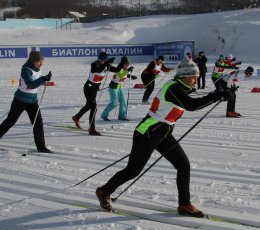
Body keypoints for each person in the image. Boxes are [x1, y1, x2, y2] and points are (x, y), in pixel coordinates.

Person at [96, 58, 233, 218]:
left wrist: (217, 94)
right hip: (148, 132)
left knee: (183, 165)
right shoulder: (173, 88)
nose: (196, 80)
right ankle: (104, 191)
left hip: (163, 133)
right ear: (184, 76)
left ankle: (184, 204)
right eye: (194, 77)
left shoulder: (180, 86)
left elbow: (191, 98)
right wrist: (216, 96)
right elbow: (191, 105)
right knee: (133, 170)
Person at [0, 51, 53, 153]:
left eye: (42, 61)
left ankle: (41, 147)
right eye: (39, 62)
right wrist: (42, 79)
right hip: (20, 100)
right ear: (33, 61)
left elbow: (36, 81)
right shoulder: (26, 69)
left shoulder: (37, 68)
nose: (41, 64)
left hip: (33, 100)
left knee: (38, 123)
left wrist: (46, 82)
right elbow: (30, 85)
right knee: (10, 121)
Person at [72, 51, 118, 136]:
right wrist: (107, 62)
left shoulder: (106, 65)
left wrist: (123, 63)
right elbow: (97, 70)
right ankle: (92, 129)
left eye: (104, 60)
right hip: (88, 87)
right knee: (93, 107)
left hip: (95, 88)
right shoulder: (94, 64)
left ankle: (77, 117)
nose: (102, 62)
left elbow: (117, 70)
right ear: (99, 59)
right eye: (101, 60)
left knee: (89, 105)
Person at [101, 56, 137, 121]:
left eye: (128, 64)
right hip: (113, 88)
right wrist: (128, 70)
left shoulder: (124, 69)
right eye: (126, 64)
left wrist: (131, 76)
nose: (127, 66)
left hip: (120, 87)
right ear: (123, 64)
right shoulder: (118, 68)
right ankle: (104, 115)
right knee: (114, 103)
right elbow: (120, 75)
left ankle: (122, 117)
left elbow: (124, 74)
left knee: (123, 102)